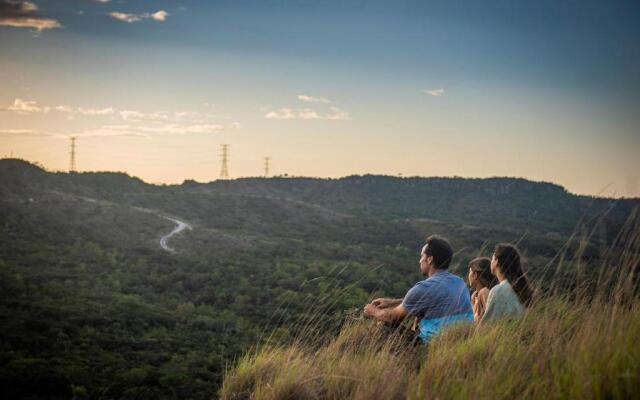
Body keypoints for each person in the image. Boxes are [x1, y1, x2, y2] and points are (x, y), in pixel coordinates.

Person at [363, 235, 474, 343]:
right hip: (464, 341)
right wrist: (391, 302)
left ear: (430, 260)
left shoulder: (424, 287)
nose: (419, 261)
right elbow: (431, 300)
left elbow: (391, 317)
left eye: (422, 256)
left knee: (384, 324)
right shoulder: (460, 282)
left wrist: (372, 311)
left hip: (434, 344)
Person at [481, 243, 534, 321]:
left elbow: (487, 324)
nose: (491, 262)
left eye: (492, 258)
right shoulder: (522, 287)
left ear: (496, 261)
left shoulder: (497, 291)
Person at [468, 257, 498, 321]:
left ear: (475, 275)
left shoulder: (484, 292)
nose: (468, 275)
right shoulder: (474, 295)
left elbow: (492, 318)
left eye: (470, 272)